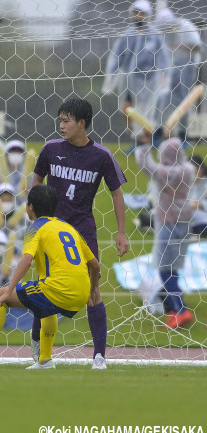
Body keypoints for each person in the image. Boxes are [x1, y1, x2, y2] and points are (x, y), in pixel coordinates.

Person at [32, 98, 130, 370]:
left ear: (82, 123)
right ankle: (39, 353)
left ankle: (99, 356)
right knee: (43, 285)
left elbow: (117, 193)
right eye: (60, 121)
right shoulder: (51, 149)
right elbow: (36, 180)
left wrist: (121, 232)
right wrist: (35, 216)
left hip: (83, 228)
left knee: (92, 289)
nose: (61, 126)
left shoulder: (101, 155)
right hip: (52, 227)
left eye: (66, 121)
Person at [0, 184, 100, 369]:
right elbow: (95, 264)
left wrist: (8, 291)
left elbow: (26, 259)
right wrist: (91, 291)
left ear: (30, 207)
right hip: (80, 293)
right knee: (45, 306)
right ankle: (45, 361)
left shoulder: (35, 228)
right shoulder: (68, 228)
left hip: (58, 288)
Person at [135, 133, 196, 329]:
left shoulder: (163, 173)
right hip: (185, 222)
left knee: (164, 269)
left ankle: (180, 311)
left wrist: (143, 144)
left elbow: (145, 164)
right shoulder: (188, 169)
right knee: (174, 267)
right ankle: (178, 308)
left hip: (167, 223)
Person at [102, 0, 170, 149]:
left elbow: (163, 57)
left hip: (148, 81)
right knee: (127, 110)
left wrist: (165, 76)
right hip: (129, 81)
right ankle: (137, 138)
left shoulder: (155, 35)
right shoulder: (128, 34)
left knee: (147, 113)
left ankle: (146, 142)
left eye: (141, 13)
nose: (138, 16)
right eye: (135, 13)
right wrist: (110, 76)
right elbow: (118, 57)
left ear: (148, 15)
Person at [155, 8, 202, 141]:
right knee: (162, 97)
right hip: (169, 68)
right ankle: (158, 132)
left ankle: (182, 135)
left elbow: (198, 47)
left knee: (183, 100)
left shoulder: (186, 26)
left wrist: (179, 45)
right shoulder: (163, 33)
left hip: (187, 66)